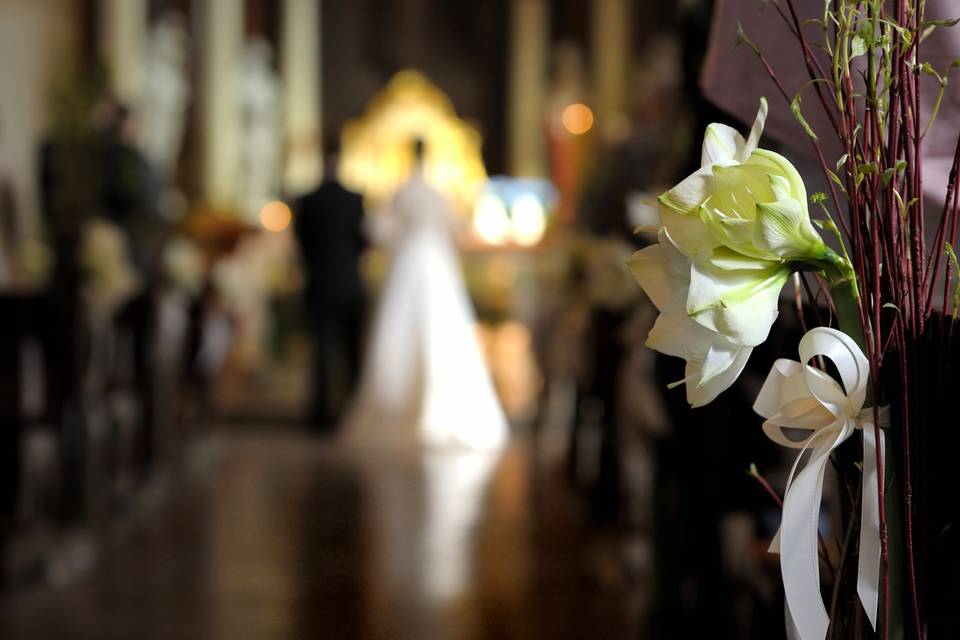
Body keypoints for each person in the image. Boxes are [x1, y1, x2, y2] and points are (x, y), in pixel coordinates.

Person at [347, 139, 507, 451]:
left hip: (409, 262)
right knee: (442, 332)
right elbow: (456, 225)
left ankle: (398, 408)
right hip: (435, 261)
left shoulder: (402, 190)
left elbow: (381, 228)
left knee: (406, 331)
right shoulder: (437, 192)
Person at [293, 135, 367, 432]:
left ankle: (321, 416)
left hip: (320, 282)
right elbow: (362, 242)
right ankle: (350, 411)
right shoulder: (355, 200)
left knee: (322, 353)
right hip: (349, 283)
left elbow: (301, 244)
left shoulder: (308, 201)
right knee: (350, 353)